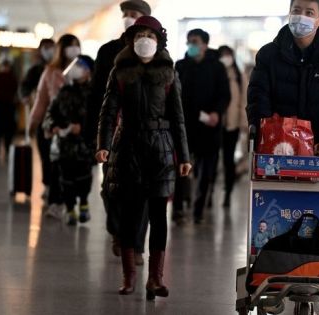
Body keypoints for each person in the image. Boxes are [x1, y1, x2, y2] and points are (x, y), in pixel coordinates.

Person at [95, 16, 192, 298]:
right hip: (127, 148)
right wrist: (103, 144)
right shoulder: (120, 72)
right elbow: (108, 112)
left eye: (149, 35)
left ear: (159, 39)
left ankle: (156, 279)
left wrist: (184, 156)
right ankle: (129, 278)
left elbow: (178, 117)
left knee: (159, 215)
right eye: (139, 35)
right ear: (131, 40)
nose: (144, 40)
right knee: (130, 214)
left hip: (161, 151)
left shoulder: (170, 74)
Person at [247, 0, 319, 159]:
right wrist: (270, 137)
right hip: (278, 150)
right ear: (289, 14)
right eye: (296, 11)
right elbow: (258, 101)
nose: (301, 17)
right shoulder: (268, 55)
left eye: (309, 13)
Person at [87, 0, 151, 260]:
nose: (128, 18)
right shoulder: (107, 51)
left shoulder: (156, 56)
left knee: (143, 191)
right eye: (125, 14)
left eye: (133, 14)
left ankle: (135, 246)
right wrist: (95, 134)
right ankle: (117, 231)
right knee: (111, 187)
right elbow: (95, 95)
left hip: (147, 135)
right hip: (112, 132)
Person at [174, 29, 230, 224]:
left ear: (205, 45)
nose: (191, 45)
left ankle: (198, 210)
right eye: (189, 41)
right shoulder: (180, 66)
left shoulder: (217, 67)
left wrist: (216, 112)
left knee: (206, 172)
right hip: (184, 127)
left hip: (209, 127)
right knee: (180, 168)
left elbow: (225, 94)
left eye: (195, 41)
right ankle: (178, 207)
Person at [31, 34, 81, 219]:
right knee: (54, 164)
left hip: (76, 126)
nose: (74, 49)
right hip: (55, 124)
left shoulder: (82, 69)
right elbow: (41, 99)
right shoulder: (50, 71)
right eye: (70, 45)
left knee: (73, 167)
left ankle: (69, 202)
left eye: (77, 45)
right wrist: (34, 121)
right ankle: (55, 202)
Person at [43, 55, 94, 226]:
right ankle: (71, 208)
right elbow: (50, 114)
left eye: (79, 65)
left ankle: (84, 203)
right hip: (64, 146)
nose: (75, 68)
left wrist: (84, 129)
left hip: (85, 147)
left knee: (84, 178)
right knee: (66, 179)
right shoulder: (64, 92)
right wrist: (54, 126)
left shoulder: (94, 93)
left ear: (88, 71)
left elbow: (100, 119)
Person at [20, 38, 56, 198]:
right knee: (45, 152)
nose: (49, 50)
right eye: (45, 47)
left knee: (58, 154)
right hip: (42, 118)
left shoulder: (62, 67)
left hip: (59, 118)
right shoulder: (36, 70)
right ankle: (48, 184)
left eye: (51, 47)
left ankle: (57, 186)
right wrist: (26, 96)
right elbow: (25, 86)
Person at [218, 45, 247, 208]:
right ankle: (209, 194)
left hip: (232, 123)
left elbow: (244, 101)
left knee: (228, 159)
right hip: (214, 124)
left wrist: (243, 122)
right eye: (222, 54)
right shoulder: (215, 73)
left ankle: (228, 193)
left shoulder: (238, 75)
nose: (225, 57)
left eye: (228, 54)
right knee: (214, 159)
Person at [0, 58, 18, 157]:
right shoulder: (12, 77)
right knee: (6, 128)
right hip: (7, 105)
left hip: (1, 105)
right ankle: (4, 147)